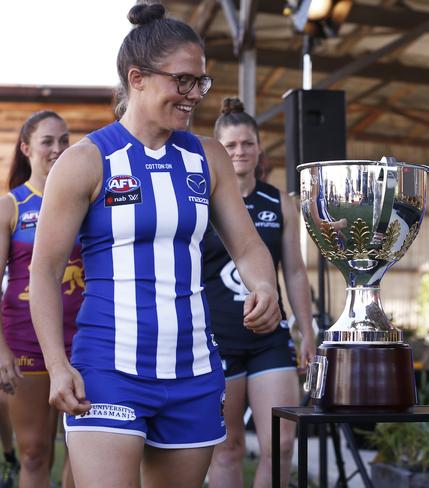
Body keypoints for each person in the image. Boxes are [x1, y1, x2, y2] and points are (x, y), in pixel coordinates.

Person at [28, 3, 280, 488]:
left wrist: (264, 286)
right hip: (108, 369)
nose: (194, 96)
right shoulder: (85, 161)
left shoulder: (208, 156)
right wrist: (57, 367)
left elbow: (247, 246)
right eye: (182, 81)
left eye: (200, 83)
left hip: (194, 372)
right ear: (137, 77)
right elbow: (44, 272)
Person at [205, 98, 316, 488]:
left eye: (247, 143)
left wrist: (307, 331)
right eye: (231, 145)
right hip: (217, 338)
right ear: (218, 149)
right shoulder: (201, 202)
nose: (239, 152)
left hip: (269, 337)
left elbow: (296, 273)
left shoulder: (279, 202)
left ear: (259, 147)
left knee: (283, 441)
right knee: (227, 446)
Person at [0, 111, 81, 488]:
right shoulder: (10, 206)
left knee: (81, 452)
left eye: (64, 140)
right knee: (33, 452)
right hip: (25, 345)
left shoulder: (88, 200)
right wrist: (1, 349)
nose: (58, 148)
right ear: (26, 148)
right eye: (48, 141)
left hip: (83, 343)